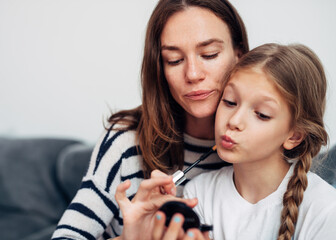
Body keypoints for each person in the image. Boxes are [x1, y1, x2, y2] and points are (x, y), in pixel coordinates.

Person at [51, 0, 249, 239]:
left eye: (209, 54)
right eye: (174, 60)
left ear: (240, 55)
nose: (193, 74)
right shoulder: (125, 141)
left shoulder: (264, 147)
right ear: (160, 68)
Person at [116, 43, 336, 240]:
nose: (234, 121)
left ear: (295, 135)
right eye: (230, 101)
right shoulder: (199, 195)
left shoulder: (325, 209)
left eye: (261, 114)